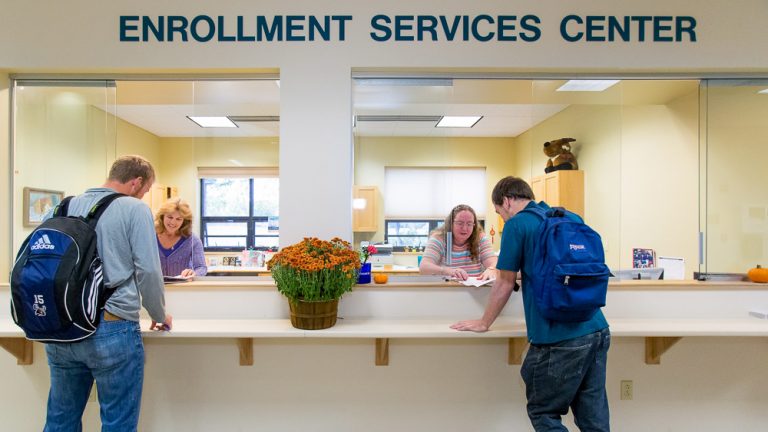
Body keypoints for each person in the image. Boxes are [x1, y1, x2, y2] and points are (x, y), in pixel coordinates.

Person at [451, 176, 610, 432]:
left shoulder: (517, 225)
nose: (502, 218)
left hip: (557, 335)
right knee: (593, 417)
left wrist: (484, 322)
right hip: (597, 329)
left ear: (506, 201)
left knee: (544, 412)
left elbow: (504, 282)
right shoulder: (570, 218)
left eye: (499, 212)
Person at [43, 155, 173, 432]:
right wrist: (159, 314)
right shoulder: (133, 209)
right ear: (136, 183)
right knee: (117, 423)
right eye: (146, 190)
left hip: (61, 326)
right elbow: (148, 270)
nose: (145, 195)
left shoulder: (63, 206)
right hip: (111, 326)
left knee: (60, 419)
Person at [419, 204, 497, 281]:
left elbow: (493, 262)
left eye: (469, 224)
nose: (465, 228)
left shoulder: (480, 238)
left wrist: (491, 269)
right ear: (451, 224)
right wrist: (448, 271)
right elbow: (424, 268)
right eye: (460, 223)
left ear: (474, 225)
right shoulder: (438, 239)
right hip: (448, 290)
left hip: (474, 291)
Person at [155, 197, 207, 278]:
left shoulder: (193, 240)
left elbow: (201, 268)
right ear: (162, 216)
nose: (173, 222)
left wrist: (193, 273)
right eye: (170, 217)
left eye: (178, 219)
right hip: (154, 288)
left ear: (184, 221)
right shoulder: (150, 237)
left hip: (182, 289)